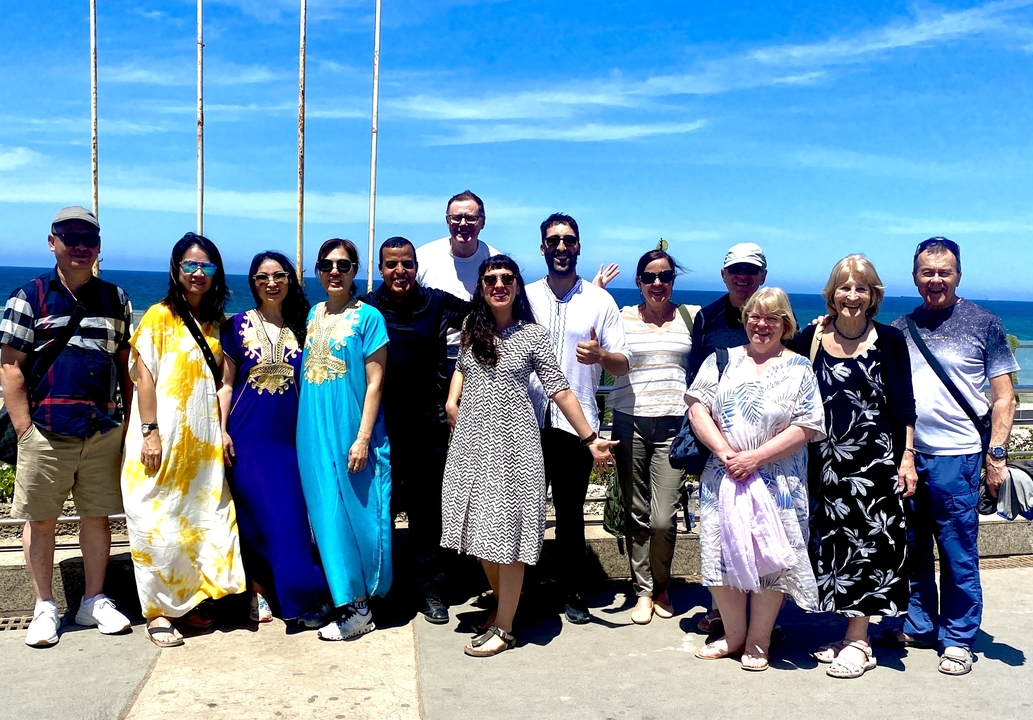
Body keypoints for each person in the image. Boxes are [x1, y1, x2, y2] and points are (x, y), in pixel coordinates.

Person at [441, 255, 618, 657]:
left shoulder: (533, 336)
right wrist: (452, 401)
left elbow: (561, 389)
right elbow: (462, 368)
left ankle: (505, 626)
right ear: (481, 288)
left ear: (517, 287)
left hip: (514, 445)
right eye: (490, 279)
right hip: (470, 441)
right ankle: (508, 600)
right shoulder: (473, 328)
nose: (498, 284)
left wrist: (590, 437)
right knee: (474, 529)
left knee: (508, 533)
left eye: (506, 278)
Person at [0, 206, 132, 646]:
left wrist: (129, 423)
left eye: (89, 239)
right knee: (42, 520)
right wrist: (24, 429)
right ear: (51, 240)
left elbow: (124, 365)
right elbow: (10, 367)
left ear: (98, 247)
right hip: (46, 428)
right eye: (70, 236)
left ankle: (94, 600)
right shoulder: (29, 296)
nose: (80, 246)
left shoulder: (117, 299)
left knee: (98, 518)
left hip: (100, 428)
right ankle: (44, 607)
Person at [888, 237, 1018, 676]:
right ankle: (921, 623)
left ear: (958, 275)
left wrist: (995, 457)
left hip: (958, 455)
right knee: (913, 548)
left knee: (958, 548)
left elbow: (1004, 399)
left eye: (944, 271)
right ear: (915, 277)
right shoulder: (901, 327)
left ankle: (959, 636)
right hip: (908, 455)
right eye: (928, 271)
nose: (936, 279)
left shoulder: (984, 323)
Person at [792, 255, 917, 679]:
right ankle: (849, 632)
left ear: (873, 295)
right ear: (831, 294)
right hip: (823, 467)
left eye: (861, 288)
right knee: (833, 547)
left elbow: (904, 406)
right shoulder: (812, 339)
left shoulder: (889, 341)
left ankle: (860, 641)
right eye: (844, 287)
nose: (852, 295)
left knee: (870, 546)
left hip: (876, 464)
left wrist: (907, 457)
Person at [687, 287, 824, 671]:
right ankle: (732, 634)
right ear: (745, 318)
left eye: (772, 318)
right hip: (725, 475)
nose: (762, 325)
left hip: (778, 480)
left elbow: (808, 425)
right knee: (721, 552)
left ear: (786, 324)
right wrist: (728, 455)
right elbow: (697, 407)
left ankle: (760, 639)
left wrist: (756, 457)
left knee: (772, 559)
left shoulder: (799, 368)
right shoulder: (722, 360)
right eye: (755, 316)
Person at [122, 233, 246, 648]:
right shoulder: (158, 317)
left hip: (204, 446)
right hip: (161, 440)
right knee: (155, 523)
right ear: (175, 271)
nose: (198, 273)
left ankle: (190, 603)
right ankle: (158, 612)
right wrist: (149, 431)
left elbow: (226, 382)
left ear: (216, 273)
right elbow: (144, 378)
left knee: (200, 522)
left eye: (206, 266)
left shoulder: (218, 322)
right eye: (190, 265)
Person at [526, 213, 630, 624]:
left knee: (570, 512)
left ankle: (572, 587)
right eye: (554, 241)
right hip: (525, 421)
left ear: (579, 247)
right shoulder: (525, 296)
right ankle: (529, 585)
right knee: (525, 510)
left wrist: (601, 356)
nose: (562, 247)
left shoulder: (600, 301)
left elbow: (623, 364)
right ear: (543, 248)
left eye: (569, 240)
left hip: (578, 425)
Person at [361, 236, 471, 624]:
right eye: (391, 264)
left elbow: (487, 316)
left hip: (428, 426)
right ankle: (383, 587)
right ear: (380, 269)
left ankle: (429, 588)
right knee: (382, 510)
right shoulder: (367, 308)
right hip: (380, 429)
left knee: (427, 514)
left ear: (416, 266)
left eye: (406, 263)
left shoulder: (437, 302)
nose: (400, 271)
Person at [217, 251, 330, 626]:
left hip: (293, 438)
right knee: (258, 519)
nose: (271, 282)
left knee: (292, 521)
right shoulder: (236, 326)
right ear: (252, 282)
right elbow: (226, 385)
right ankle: (273, 594)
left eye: (279, 275)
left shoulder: (306, 326)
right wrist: (221, 431)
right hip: (248, 437)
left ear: (289, 280)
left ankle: (282, 593)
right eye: (263, 276)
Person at [296, 239, 392, 642]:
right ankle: (340, 597)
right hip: (311, 429)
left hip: (352, 428)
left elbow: (375, 382)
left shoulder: (369, 318)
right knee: (323, 515)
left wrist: (363, 437)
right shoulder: (313, 315)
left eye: (344, 265)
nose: (334, 272)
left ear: (355, 271)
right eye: (326, 264)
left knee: (359, 512)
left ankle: (360, 604)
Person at [606, 248, 693, 625]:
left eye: (665, 276)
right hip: (629, 420)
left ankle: (661, 584)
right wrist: (593, 291)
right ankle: (643, 590)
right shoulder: (621, 315)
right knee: (636, 511)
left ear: (673, 280)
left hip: (675, 424)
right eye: (650, 277)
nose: (658, 283)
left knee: (662, 517)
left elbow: (739, 327)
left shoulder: (692, 316)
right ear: (639, 282)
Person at [687, 242, 768, 634]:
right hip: (717, 447)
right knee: (721, 533)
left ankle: (763, 619)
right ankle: (723, 610)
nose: (743, 277)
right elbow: (693, 383)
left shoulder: (776, 316)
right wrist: (717, 444)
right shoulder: (707, 317)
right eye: (736, 270)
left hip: (765, 451)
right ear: (723, 275)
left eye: (751, 271)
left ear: (762, 277)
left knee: (760, 534)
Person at [416, 190, 500, 362]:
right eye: (456, 218)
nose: (463, 224)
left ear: (482, 222)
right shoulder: (422, 258)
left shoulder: (495, 262)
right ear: (448, 221)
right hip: (430, 354)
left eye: (470, 218)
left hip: (479, 355)